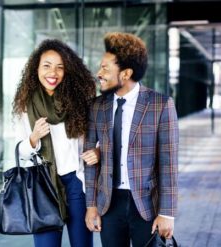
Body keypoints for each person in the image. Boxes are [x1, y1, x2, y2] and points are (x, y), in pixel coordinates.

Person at [82, 32, 179, 247]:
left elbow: (169, 163)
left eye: (106, 68)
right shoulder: (96, 107)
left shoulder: (160, 105)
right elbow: (89, 163)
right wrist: (91, 206)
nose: (99, 73)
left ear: (125, 73)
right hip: (109, 204)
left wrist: (167, 213)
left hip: (146, 206)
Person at [12, 39, 97, 247]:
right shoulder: (25, 105)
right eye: (47, 66)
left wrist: (97, 151)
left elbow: (98, 138)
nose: (53, 73)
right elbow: (20, 152)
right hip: (44, 186)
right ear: (36, 69)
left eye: (60, 67)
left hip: (76, 184)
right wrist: (33, 138)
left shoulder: (79, 101)